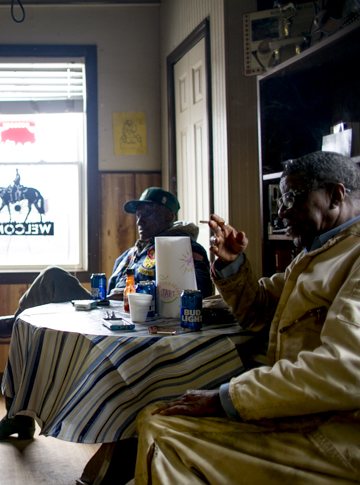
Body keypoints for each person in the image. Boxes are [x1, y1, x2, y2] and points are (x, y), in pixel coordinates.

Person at [135, 151, 360, 484]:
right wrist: (231, 265)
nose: (282, 211)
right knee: (155, 413)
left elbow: (344, 369)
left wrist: (227, 397)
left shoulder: (350, 257)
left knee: (162, 431)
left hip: (336, 435)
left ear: (335, 196)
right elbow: (258, 312)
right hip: (298, 412)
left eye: (291, 199)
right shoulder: (319, 252)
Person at [0, 187, 213, 441]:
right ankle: (18, 415)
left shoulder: (183, 247)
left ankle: (14, 327)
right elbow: (108, 293)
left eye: (149, 213)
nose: (140, 221)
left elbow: (199, 291)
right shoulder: (129, 254)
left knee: (33, 311)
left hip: (143, 325)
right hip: (105, 315)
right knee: (45, 292)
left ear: (168, 217)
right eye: (139, 214)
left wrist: (138, 294)